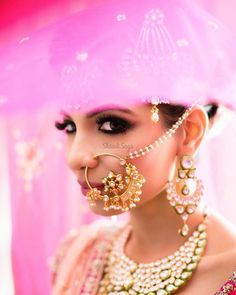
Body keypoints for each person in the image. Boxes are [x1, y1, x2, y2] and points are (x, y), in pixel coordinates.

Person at [50, 0, 236, 294]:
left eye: (111, 125)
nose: (76, 157)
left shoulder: (228, 273)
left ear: (189, 132)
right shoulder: (77, 254)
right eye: (69, 127)